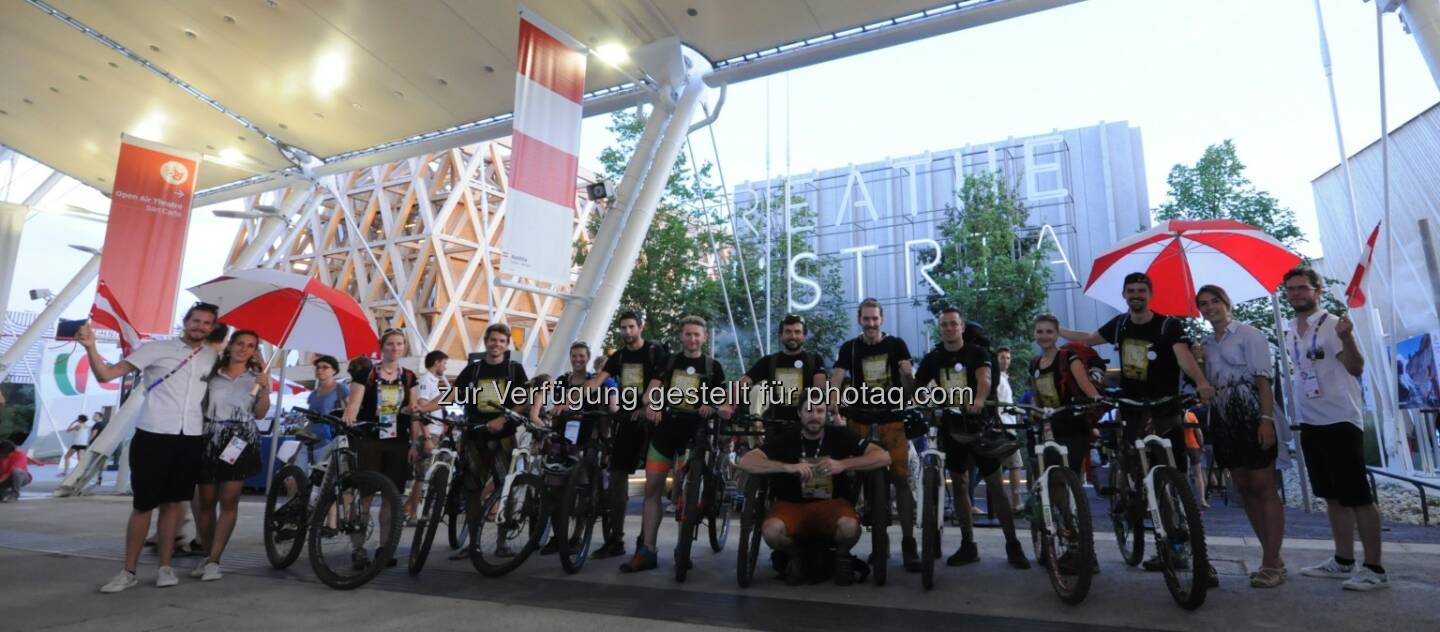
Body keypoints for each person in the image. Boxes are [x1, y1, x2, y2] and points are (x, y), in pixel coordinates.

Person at [1059, 271, 1217, 583]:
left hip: (1165, 409)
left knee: (1174, 481)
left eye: (1141, 290)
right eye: (1130, 290)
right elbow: (1087, 339)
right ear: (1124, 294)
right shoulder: (1119, 325)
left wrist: (1201, 382)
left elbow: (1183, 357)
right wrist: (1055, 329)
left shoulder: (1168, 325)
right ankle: (1131, 501)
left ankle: (1190, 552)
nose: (1136, 295)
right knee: (1134, 470)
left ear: (1150, 293)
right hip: (1132, 409)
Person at [79, 303, 220, 593]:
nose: (201, 327)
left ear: (212, 328)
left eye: (207, 323)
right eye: (197, 321)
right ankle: (128, 571)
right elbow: (106, 375)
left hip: (190, 436)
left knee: (172, 504)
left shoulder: (211, 357)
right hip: (154, 433)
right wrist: (90, 348)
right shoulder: (156, 349)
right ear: (186, 321)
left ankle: (165, 568)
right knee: (143, 505)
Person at [1282, 267, 1387, 591]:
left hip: (1340, 419)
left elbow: (1356, 367)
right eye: (1291, 289)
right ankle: (1343, 561)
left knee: (1357, 496)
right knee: (1332, 496)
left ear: (1318, 291)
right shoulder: (1289, 328)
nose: (1296, 293)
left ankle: (1375, 569)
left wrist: (1347, 338)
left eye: (1302, 288)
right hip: (1310, 421)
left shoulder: (1331, 325)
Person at [914, 307, 1030, 569]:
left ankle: (1013, 545)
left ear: (962, 327)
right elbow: (920, 387)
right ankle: (968, 544)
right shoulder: (934, 358)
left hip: (980, 426)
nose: (949, 328)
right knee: (960, 484)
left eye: (953, 324)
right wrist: (920, 399)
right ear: (940, 328)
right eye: (944, 324)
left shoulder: (977, 353)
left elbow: (984, 378)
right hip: (952, 427)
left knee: (995, 486)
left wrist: (978, 401)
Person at [737, 390, 890, 585]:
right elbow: (747, 461)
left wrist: (842, 464)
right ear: (800, 413)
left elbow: (883, 456)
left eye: (819, 411)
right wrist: (786, 467)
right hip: (791, 506)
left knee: (850, 528)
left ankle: (841, 556)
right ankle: (796, 555)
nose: (814, 416)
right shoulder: (786, 438)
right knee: (771, 531)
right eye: (809, 410)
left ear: (826, 413)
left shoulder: (840, 435)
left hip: (831, 505)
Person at [621, 315, 729, 573]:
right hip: (665, 432)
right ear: (681, 336)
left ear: (704, 338)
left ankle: (684, 547)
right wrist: (654, 405)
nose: (692, 339)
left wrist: (712, 406)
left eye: (697, 335)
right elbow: (651, 393)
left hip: (695, 437)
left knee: (685, 495)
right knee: (652, 491)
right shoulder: (669, 362)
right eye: (688, 334)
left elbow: (724, 404)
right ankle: (648, 550)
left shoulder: (713, 367)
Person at [1195, 284, 1286, 588]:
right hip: (1223, 415)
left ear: (1226, 302)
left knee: (1264, 485)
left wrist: (1266, 420)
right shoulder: (1204, 344)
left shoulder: (1249, 334)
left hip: (1251, 410)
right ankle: (1271, 556)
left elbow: (1263, 381)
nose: (1210, 308)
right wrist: (1196, 365)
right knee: (1244, 487)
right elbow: (1204, 386)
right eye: (1204, 304)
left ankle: (1272, 563)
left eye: (1214, 301)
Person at [830, 298, 920, 571]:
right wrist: (833, 400)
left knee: (901, 481)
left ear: (882, 319)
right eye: (866, 319)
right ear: (859, 319)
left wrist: (907, 375)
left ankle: (908, 543)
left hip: (892, 419)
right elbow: (837, 375)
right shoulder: (850, 347)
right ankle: (874, 543)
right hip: (859, 419)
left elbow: (910, 388)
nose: (871, 323)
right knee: (858, 481)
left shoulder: (896, 345)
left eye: (875, 319)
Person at [587, 311, 669, 560]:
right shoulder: (619, 356)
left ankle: (645, 540)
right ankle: (615, 538)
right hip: (628, 419)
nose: (627, 332)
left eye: (631, 327)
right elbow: (597, 381)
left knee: (654, 484)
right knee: (617, 477)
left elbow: (661, 380)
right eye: (623, 327)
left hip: (654, 420)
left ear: (640, 327)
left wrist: (648, 406)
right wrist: (571, 400)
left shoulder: (655, 351)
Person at [192, 330, 271, 582]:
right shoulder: (212, 374)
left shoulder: (256, 377)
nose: (244, 349)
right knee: (205, 501)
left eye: (251, 346)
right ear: (231, 345)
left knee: (229, 500)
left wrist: (266, 389)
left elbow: (259, 414)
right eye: (240, 344)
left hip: (241, 439)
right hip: (210, 436)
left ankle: (215, 558)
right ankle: (206, 553)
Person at [341, 328, 422, 569]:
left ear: (404, 347)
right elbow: (354, 404)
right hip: (370, 440)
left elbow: (415, 411)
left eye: (399, 344)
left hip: (398, 442)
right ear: (382, 347)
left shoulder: (409, 377)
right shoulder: (367, 373)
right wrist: (350, 421)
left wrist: (416, 442)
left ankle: (384, 549)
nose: (395, 348)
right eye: (390, 344)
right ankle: (358, 548)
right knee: (364, 499)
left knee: (390, 499)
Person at [449, 323, 529, 559]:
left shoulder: (514, 369)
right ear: (486, 342)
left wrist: (502, 419)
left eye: (502, 341)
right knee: (472, 490)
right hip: (474, 436)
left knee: (506, 487)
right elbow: (453, 393)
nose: (497, 345)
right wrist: (424, 406)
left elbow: (524, 399)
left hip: (503, 438)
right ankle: (472, 544)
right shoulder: (473, 370)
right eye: (493, 340)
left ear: (507, 345)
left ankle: (502, 542)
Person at [1028, 314, 1102, 479]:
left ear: (1057, 334)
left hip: (1073, 423)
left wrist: (1097, 401)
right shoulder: (1034, 363)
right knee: (1051, 476)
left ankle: (1075, 504)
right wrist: (1034, 410)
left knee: (1070, 475)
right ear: (1034, 334)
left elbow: (1085, 385)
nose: (1044, 336)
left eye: (1049, 331)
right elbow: (1036, 393)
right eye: (1040, 331)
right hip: (1049, 425)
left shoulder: (1068, 357)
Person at [736, 314, 829, 435]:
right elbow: (742, 383)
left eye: (797, 332)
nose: (793, 336)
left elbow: (819, 390)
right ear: (781, 335)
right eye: (788, 332)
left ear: (804, 335)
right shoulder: (768, 361)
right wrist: (728, 404)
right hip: (775, 429)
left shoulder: (815, 360)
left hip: (805, 429)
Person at [407, 350, 450, 523]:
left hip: (435, 431)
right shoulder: (426, 380)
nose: (445, 367)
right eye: (444, 363)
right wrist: (426, 438)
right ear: (437, 362)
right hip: (429, 431)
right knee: (422, 475)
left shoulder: (432, 381)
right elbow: (422, 407)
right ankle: (411, 514)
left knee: (424, 474)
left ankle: (408, 509)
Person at [994, 348, 1026, 509]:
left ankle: (1007, 503)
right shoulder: (996, 378)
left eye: (1008, 358)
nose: (1005, 361)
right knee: (1015, 465)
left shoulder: (1003, 378)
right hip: (1003, 427)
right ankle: (1016, 502)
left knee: (1003, 467)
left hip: (1007, 426)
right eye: (1002, 357)